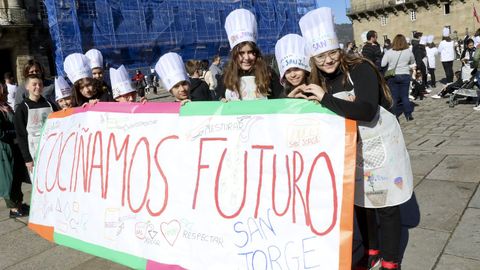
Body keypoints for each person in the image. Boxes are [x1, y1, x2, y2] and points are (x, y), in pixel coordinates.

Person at [294, 8, 413, 270]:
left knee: (386, 205)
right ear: (312, 58)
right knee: (361, 203)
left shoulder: (360, 69)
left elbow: (367, 109)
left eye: (332, 53)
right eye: (320, 56)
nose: (328, 61)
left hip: (378, 142)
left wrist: (325, 99)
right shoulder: (319, 79)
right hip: (352, 149)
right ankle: (372, 251)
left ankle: (391, 261)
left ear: (340, 50)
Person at [215, 9, 283, 101]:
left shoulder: (268, 74)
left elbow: (281, 100)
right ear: (234, 55)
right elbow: (216, 102)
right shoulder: (225, 77)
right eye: (241, 53)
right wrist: (220, 100)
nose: (246, 58)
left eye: (251, 52)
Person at [14, 74, 58, 175]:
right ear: (27, 86)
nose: (38, 87)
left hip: (51, 148)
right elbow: (21, 135)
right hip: (33, 152)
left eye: (40, 84)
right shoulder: (22, 108)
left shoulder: (50, 105)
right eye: (34, 84)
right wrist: (27, 159)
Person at [0, 82, 30, 218]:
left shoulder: (6, 106)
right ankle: (13, 208)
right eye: (3, 92)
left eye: (6, 91)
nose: (6, 94)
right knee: (9, 179)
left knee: (17, 176)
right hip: (4, 150)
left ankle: (19, 203)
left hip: (14, 147)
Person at [381, 34, 416, 121]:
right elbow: (412, 61)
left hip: (392, 76)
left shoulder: (389, 52)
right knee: (405, 96)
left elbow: (383, 64)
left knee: (394, 97)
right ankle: (408, 115)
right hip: (404, 74)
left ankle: (394, 115)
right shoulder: (408, 51)